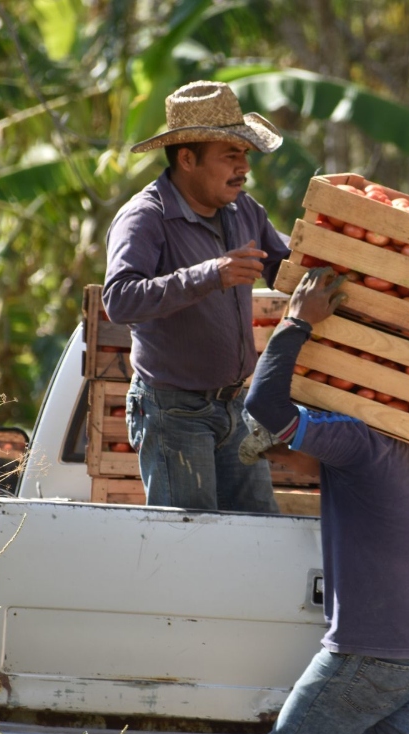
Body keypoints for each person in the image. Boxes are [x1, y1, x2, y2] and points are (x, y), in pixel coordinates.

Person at [242, 267, 409, 734]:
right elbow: (326, 467)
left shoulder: (357, 438)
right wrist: (279, 449)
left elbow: (265, 406)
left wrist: (297, 321)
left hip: (372, 655)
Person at [103, 80, 291, 513]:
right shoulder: (145, 218)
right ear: (187, 158)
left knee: (256, 535)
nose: (244, 166)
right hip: (173, 414)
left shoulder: (245, 210)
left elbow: (283, 264)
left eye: (245, 153)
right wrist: (210, 274)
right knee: (187, 544)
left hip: (236, 406)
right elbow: (120, 299)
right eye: (231, 154)